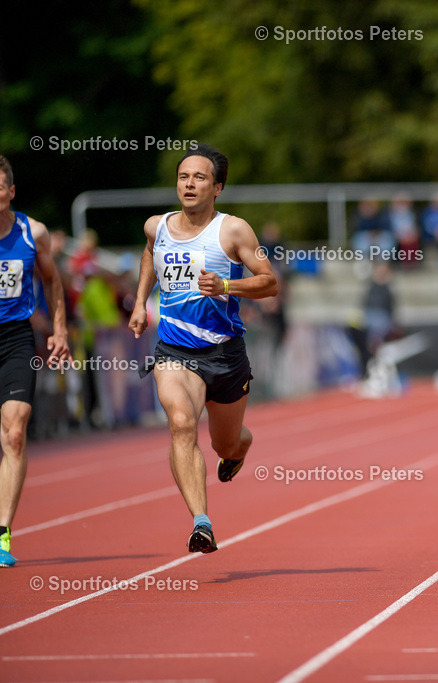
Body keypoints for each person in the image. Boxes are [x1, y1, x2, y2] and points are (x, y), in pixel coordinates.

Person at [129, 144, 277, 554]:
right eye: (183, 177)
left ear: (217, 187)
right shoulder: (156, 226)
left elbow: (269, 282)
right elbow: (150, 253)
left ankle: (239, 448)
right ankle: (202, 523)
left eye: (199, 178)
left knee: (224, 445)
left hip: (225, 355)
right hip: (175, 352)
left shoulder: (233, 231)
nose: (189, 184)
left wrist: (227, 285)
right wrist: (141, 301)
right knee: (181, 424)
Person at [0, 154, 71, 567]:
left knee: (15, 432)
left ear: (10, 192)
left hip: (15, 338)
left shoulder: (33, 233)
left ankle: (2, 533)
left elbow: (52, 281)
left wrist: (59, 331)